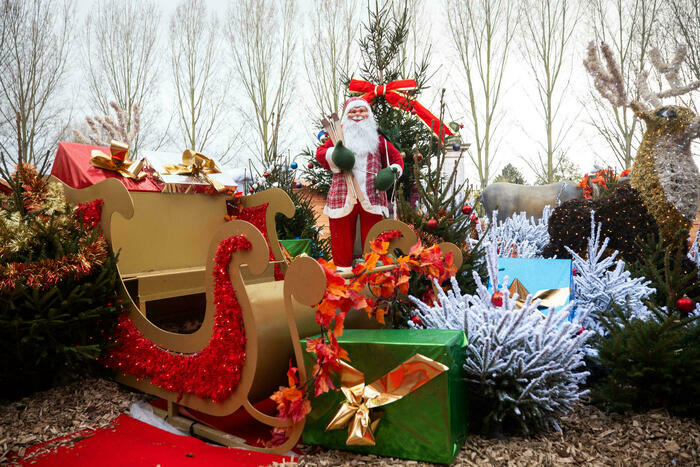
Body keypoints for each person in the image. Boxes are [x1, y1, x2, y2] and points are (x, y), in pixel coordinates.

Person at [316, 97, 404, 267]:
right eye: (353, 112)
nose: (357, 115)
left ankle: (373, 272)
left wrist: (391, 172)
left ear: (368, 114)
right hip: (343, 195)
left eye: (362, 111)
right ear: (346, 116)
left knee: (373, 236)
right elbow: (321, 153)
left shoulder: (379, 140)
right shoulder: (338, 136)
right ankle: (343, 271)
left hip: (372, 195)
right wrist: (335, 154)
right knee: (341, 233)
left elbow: (396, 158)